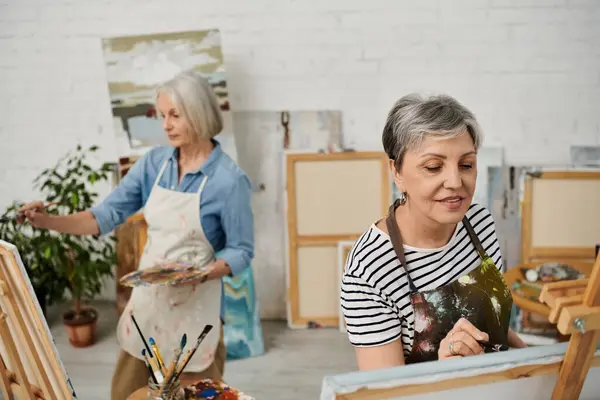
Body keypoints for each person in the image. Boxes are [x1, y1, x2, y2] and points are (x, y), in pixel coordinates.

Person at [17, 70, 254, 399]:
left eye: (175, 115)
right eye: (162, 116)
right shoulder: (154, 164)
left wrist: (202, 274)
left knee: (196, 395)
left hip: (196, 315)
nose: (166, 125)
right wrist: (48, 222)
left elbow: (241, 251)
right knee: (129, 394)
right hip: (148, 311)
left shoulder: (228, 180)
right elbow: (105, 216)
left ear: (199, 113)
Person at [341, 93, 527, 371]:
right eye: (433, 167)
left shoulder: (479, 222)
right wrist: (443, 370)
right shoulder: (370, 270)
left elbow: (496, 329)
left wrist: (534, 362)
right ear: (397, 171)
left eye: (466, 164)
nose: (455, 182)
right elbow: (387, 393)